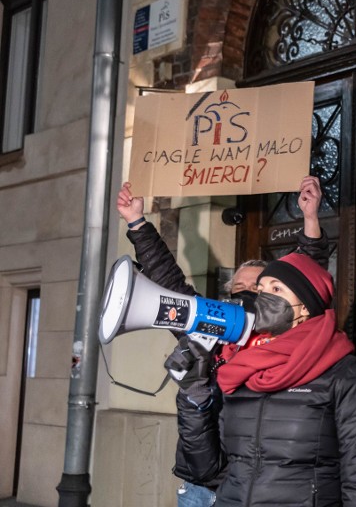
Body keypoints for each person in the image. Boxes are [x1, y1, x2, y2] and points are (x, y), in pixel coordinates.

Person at [116, 175, 331, 507]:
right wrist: (137, 222)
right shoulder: (211, 331)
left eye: (256, 288)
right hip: (202, 488)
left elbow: (308, 280)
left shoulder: (288, 338)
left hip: (258, 489)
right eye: (237, 291)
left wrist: (311, 218)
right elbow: (168, 281)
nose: (244, 296)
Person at [166, 252, 356, 506]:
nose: (263, 297)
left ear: (305, 306)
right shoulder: (239, 366)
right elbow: (206, 469)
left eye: (276, 288)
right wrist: (194, 396)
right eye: (261, 289)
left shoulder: (344, 373)